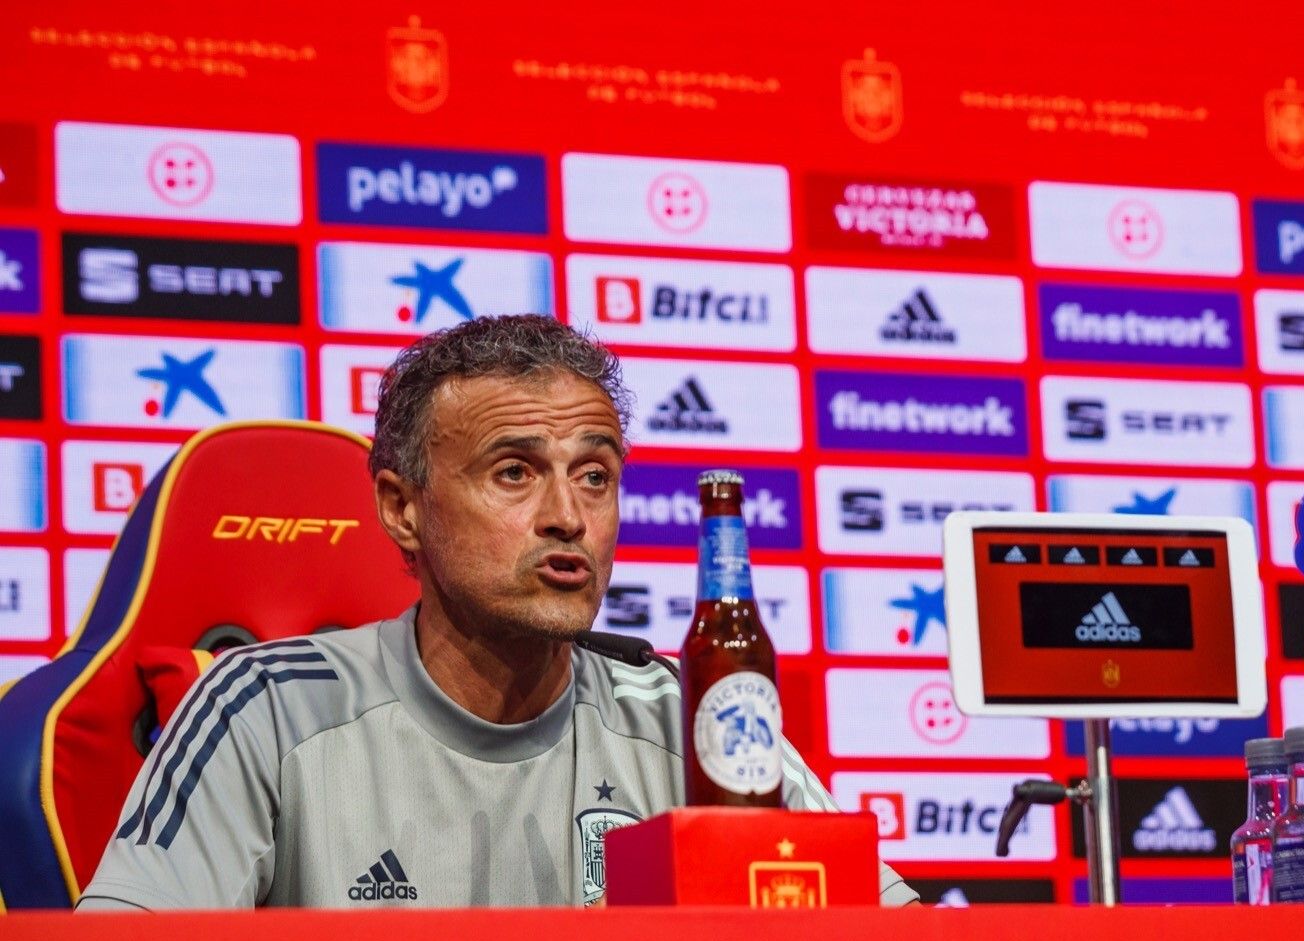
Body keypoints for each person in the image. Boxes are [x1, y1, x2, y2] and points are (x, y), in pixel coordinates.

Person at [79, 314, 918, 909]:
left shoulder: (687, 716)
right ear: (402, 509)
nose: (568, 516)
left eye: (595, 476)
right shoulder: (264, 705)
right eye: (514, 472)